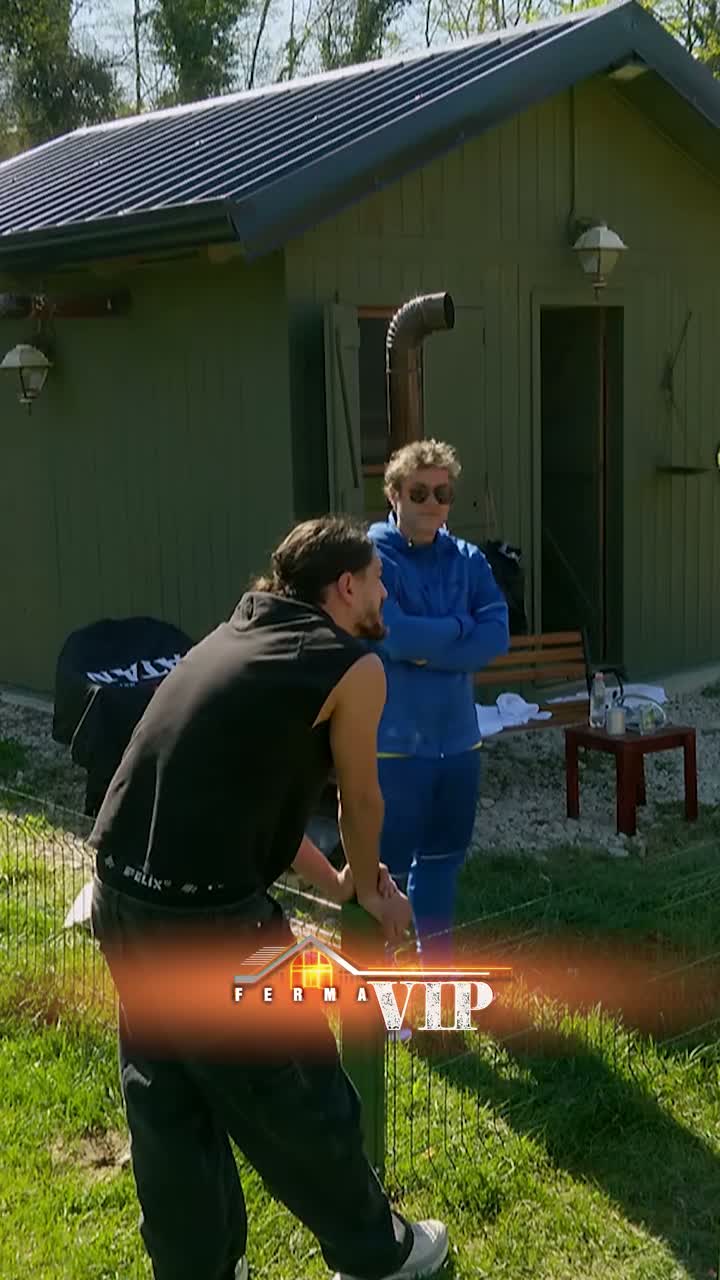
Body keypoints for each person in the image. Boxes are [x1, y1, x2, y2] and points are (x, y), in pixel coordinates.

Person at [89, 515, 448, 1280]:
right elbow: (361, 801)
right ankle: (378, 1255)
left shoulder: (235, 637)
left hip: (121, 895)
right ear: (345, 587)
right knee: (298, 1090)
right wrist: (373, 888)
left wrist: (338, 884)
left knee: (170, 1101)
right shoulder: (352, 665)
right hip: (209, 920)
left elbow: (251, 796)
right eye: (378, 581)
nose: (386, 595)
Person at [369, 441, 510, 964]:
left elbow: (495, 636)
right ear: (393, 494)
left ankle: (437, 979)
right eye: (419, 492)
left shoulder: (467, 557)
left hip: (458, 742)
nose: (432, 503)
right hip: (396, 746)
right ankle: (381, 990)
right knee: (384, 874)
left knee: (442, 865)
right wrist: (458, 625)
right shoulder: (373, 555)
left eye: (442, 493)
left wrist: (429, 649)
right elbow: (394, 635)